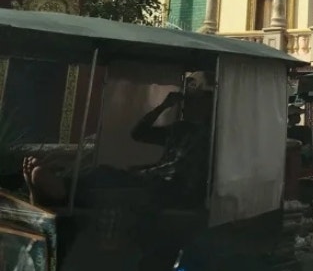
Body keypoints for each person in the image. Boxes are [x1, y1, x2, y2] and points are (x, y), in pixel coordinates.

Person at [23, 72, 212, 207]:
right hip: (151, 182)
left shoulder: (205, 135)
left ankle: (59, 192)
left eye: (193, 101)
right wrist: (163, 107)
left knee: (107, 185)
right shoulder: (180, 129)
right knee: (102, 172)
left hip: (166, 192)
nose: (187, 105)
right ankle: (53, 188)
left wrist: (142, 173)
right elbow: (139, 133)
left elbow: (177, 170)